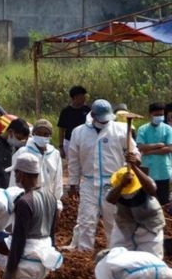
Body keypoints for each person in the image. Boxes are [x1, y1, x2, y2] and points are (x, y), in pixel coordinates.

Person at [65, 99, 139, 251]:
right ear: (93, 115)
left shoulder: (121, 129)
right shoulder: (79, 132)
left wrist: (135, 158)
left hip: (113, 183)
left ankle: (115, 252)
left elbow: (135, 153)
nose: (105, 122)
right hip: (89, 183)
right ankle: (84, 254)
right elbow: (73, 160)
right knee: (86, 220)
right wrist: (73, 184)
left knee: (113, 221)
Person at [9, 119, 64, 239]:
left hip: (47, 202)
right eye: (39, 133)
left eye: (46, 134)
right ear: (33, 134)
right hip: (27, 203)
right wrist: (15, 203)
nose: (42, 137)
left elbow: (58, 182)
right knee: (24, 236)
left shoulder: (54, 154)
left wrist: (58, 204)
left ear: (50, 136)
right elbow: (15, 182)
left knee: (46, 237)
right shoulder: (23, 152)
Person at [105, 153, 165, 258]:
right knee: (117, 258)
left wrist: (134, 167)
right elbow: (110, 199)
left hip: (149, 226)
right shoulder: (116, 186)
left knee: (149, 261)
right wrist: (122, 185)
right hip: (125, 225)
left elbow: (152, 190)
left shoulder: (143, 182)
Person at [136, 102, 172, 206]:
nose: (159, 117)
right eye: (156, 115)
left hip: (163, 171)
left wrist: (150, 151)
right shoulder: (143, 129)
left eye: (161, 115)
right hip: (147, 171)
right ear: (150, 114)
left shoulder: (168, 129)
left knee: (163, 202)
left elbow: (169, 148)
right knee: (146, 202)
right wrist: (159, 144)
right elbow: (141, 147)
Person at [56, 85, 90, 159]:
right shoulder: (66, 112)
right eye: (82, 97)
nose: (84, 99)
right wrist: (61, 147)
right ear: (74, 97)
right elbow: (61, 130)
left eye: (84, 97)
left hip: (85, 142)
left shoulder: (88, 110)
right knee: (71, 165)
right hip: (69, 142)